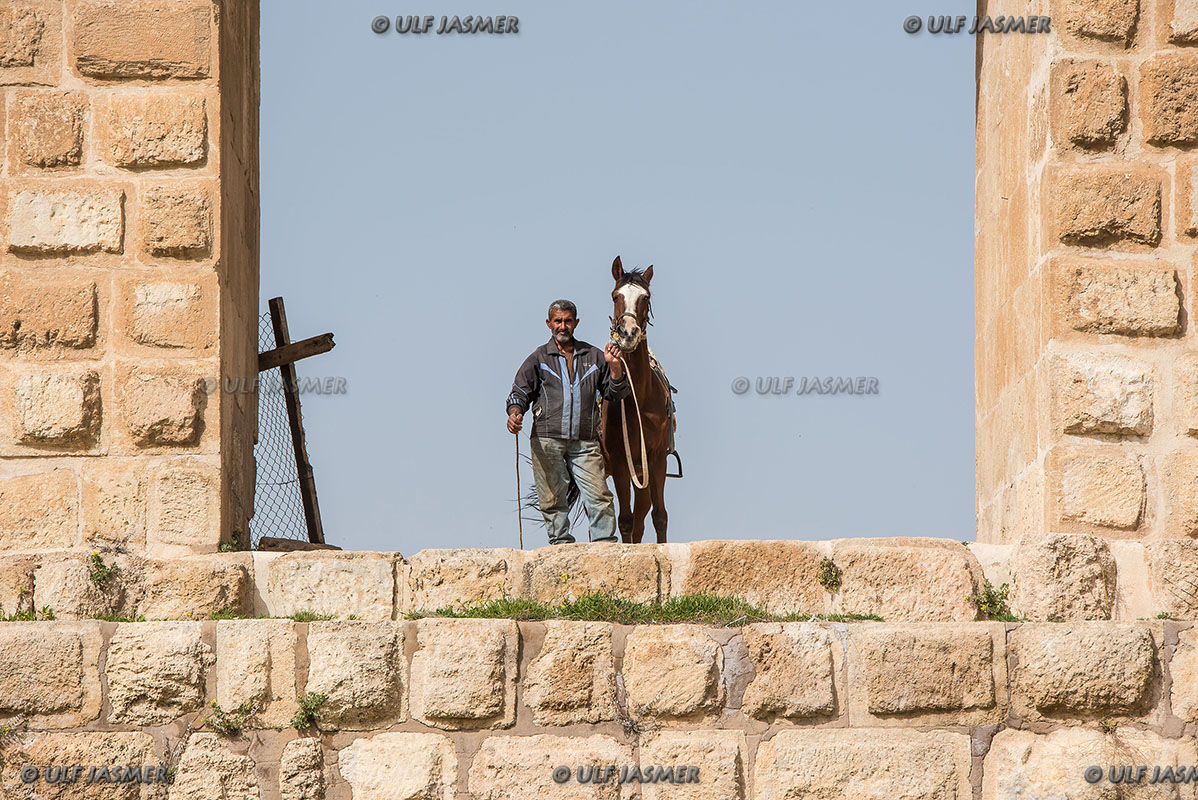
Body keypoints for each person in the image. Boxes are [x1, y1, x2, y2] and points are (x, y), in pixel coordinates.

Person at [506, 299, 631, 544]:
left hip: (585, 441)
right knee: (552, 498)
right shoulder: (538, 358)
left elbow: (616, 393)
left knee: (600, 496)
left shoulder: (594, 356)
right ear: (548, 323)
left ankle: (604, 544)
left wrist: (615, 368)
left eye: (567, 321)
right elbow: (519, 392)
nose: (562, 326)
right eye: (558, 321)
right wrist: (515, 413)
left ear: (576, 323)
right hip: (547, 439)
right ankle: (561, 546)